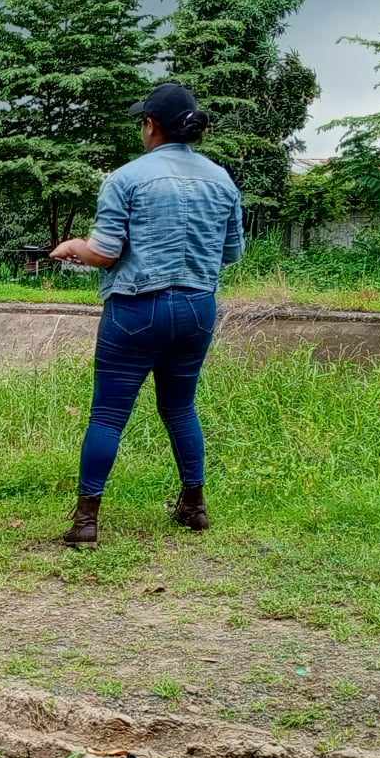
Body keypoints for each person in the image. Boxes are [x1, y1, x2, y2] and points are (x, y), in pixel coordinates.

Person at [47, 83, 244, 549]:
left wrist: (74, 247)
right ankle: (194, 505)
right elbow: (232, 253)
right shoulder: (222, 180)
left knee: (108, 414)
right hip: (197, 308)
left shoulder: (126, 178)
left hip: (136, 309)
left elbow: (104, 252)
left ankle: (86, 520)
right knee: (180, 407)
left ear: (151, 125)